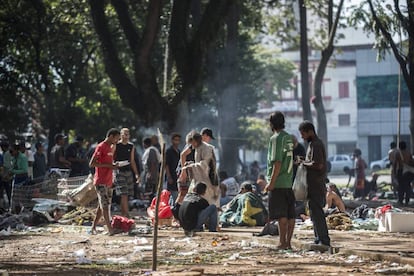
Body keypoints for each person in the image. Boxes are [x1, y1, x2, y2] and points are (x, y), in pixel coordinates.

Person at [264, 111, 295, 250]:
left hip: (279, 182)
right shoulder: (289, 137)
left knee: (282, 215)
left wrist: (271, 183)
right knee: (290, 215)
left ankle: (282, 243)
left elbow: (277, 162)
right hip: (289, 181)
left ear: (272, 123)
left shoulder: (275, 138)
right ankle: (288, 242)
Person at [298, 120, 330, 247]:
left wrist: (303, 163)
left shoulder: (316, 144)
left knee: (318, 213)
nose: (302, 137)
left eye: (303, 134)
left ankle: (324, 239)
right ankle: (318, 238)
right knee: (314, 214)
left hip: (316, 186)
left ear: (309, 131)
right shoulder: (312, 144)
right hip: (312, 186)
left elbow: (318, 164)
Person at [90, 128, 121, 235]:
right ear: (111, 136)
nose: (117, 141)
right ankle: (110, 229)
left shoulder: (110, 147)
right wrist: (109, 166)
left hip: (108, 181)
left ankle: (93, 227)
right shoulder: (101, 147)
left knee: (102, 205)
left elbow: (108, 163)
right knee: (105, 206)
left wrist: (113, 166)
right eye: (117, 138)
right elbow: (92, 163)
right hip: (100, 181)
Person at [181, 132, 220, 207]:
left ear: (196, 141)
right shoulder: (197, 148)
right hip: (199, 179)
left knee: (208, 202)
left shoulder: (207, 148)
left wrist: (191, 166)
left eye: (192, 143)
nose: (192, 145)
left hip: (208, 180)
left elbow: (205, 164)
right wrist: (190, 164)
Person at [114, 128, 140, 218]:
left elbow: (132, 161)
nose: (126, 136)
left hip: (128, 171)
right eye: (124, 134)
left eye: (128, 134)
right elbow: (112, 158)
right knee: (123, 194)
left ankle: (124, 214)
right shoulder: (116, 145)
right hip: (119, 171)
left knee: (127, 194)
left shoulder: (131, 146)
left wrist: (136, 174)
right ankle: (126, 214)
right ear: (121, 135)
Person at [394, 141, 414, 206]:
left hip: (401, 171)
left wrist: (394, 173)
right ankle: (407, 201)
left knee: (401, 187)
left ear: (399, 146)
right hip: (409, 172)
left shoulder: (398, 153)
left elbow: (395, 164)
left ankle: (401, 200)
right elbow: (412, 162)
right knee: (407, 186)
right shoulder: (409, 153)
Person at [165, 133, 181, 203]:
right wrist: (169, 176)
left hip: (177, 176)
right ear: (172, 141)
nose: (177, 142)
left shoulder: (179, 151)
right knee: (172, 194)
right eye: (175, 140)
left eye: (178, 140)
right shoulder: (169, 151)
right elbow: (166, 165)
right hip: (171, 176)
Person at [0, 142, 13, 208]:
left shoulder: (6, 155)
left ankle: (9, 206)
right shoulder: (5, 155)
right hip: (6, 177)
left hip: (7, 177)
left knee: (8, 192)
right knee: (7, 192)